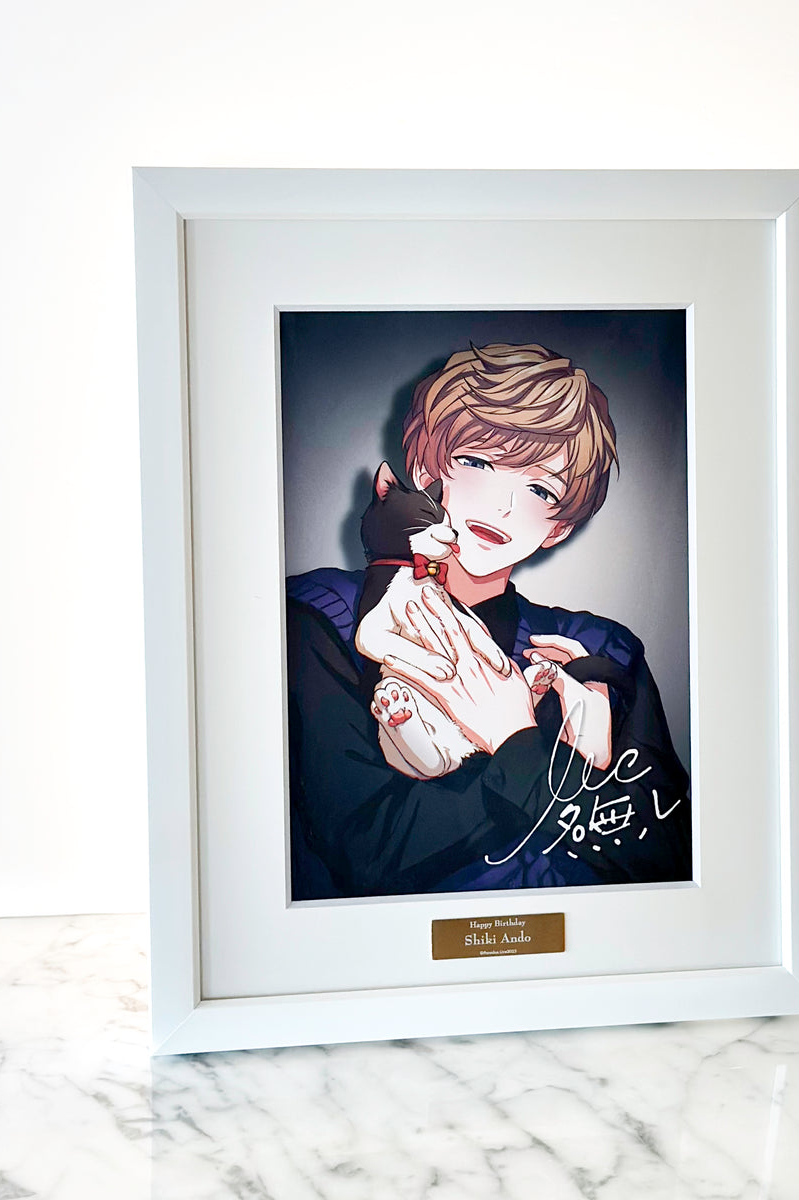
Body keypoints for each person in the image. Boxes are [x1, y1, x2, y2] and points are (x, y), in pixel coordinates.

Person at [287, 343, 691, 898]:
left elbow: (668, 858)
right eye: (479, 462)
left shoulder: (602, 651)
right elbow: (368, 851)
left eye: (540, 489)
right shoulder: (322, 616)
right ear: (426, 471)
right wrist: (551, 768)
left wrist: (520, 744)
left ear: (558, 528)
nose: (503, 506)